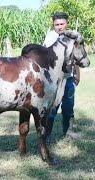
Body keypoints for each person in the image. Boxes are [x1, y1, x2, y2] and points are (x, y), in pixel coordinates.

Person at [44, 12, 81, 142]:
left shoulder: (72, 37)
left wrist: (77, 73)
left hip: (68, 78)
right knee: (52, 108)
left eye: (62, 24)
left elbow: (75, 56)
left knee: (68, 106)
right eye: (57, 24)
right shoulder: (50, 38)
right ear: (53, 25)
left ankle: (68, 132)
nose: (59, 27)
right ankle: (46, 135)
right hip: (54, 81)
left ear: (67, 24)